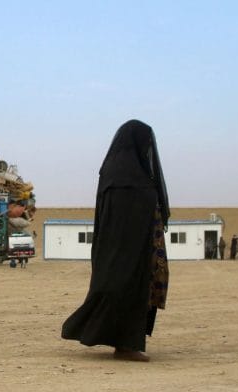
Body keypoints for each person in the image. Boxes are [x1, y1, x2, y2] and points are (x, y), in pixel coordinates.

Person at [61, 119, 170, 362]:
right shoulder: (126, 178)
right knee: (123, 290)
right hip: (127, 251)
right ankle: (125, 345)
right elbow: (123, 219)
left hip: (131, 249)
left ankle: (126, 344)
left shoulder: (115, 172)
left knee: (133, 292)